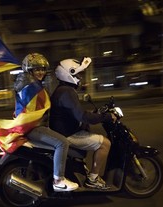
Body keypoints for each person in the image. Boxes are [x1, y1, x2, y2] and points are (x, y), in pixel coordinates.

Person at [14, 53, 79, 192]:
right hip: (33, 127)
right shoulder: (31, 86)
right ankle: (59, 180)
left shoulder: (28, 82)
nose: (40, 72)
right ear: (29, 70)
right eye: (37, 69)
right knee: (62, 143)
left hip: (30, 125)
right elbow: (33, 109)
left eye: (42, 69)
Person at [49, 57, 117, 189]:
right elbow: (82, 116)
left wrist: (94, 115)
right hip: (67, 134)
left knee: (91, 133)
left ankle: (82, 168)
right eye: (77, 74)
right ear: (69, 73)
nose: (80, 77)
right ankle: (93, 179)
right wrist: (106, 117)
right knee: (105, 143)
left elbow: (75, 112)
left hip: (66, 130)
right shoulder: (66, 92)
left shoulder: (64, 90)